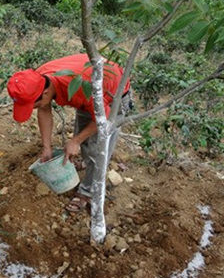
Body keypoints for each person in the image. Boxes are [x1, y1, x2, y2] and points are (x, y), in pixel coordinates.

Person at [7, 53, 132, 213]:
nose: (33, 109)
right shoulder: (38, 79)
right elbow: (44, 109)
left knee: (97, 149)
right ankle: (87, 162)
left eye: (33, 105)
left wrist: (76, 141)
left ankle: (88, 192)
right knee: (83, 135)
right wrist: (47, 147)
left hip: (113, 95)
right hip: (88, 97)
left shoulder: (82, 86)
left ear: (45, 94)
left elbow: (104, 120)